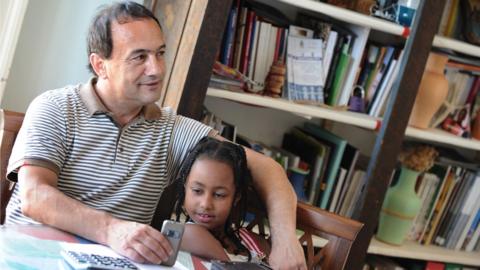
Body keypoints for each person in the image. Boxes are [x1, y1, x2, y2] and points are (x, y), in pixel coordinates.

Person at [5, 1, 306, 269]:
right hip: (33, 255)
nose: (157, 69)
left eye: (160, 53)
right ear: (100, 64)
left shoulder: (171, 129)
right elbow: (35, 197)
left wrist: (286, 243)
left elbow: (267, 169)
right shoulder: (56, 107)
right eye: (139, 57)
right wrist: (113, 230)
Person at [173, 137, 270, 263]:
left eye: (219, 194)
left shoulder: (252, 241)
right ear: (185, 186)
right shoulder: (189, 233)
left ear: (237, 196)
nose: (206, 204)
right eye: (197, 190)